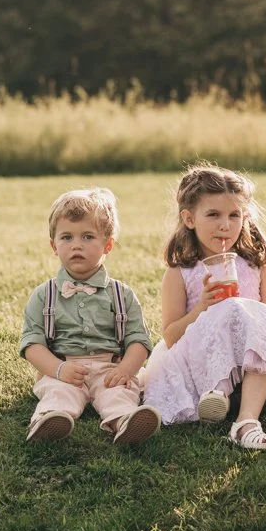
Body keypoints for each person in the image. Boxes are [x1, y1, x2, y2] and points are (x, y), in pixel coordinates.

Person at [142, 164, 266, 450]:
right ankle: (218, 391)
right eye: (213, 214)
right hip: (199, 368)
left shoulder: (257, 266)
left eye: (234, 215)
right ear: (189, 219)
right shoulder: (180, 273)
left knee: (251, 316)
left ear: (245, 217)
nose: (225, 225)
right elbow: (170, 336)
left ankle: (246, 421)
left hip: (252, 369)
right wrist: (202, 307)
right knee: (230, 309)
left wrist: (242, 312)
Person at [19, 188, 161, 444]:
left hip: (110, 367)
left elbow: (138, 340)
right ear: (54, 246)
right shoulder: (44, 295)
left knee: (117, 393)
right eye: (66, 237)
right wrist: (58, 369)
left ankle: (126, 422)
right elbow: (32, 344)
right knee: (59, 392)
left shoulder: (122, 294)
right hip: (62, 366)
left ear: (107, 244)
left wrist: (126, 370)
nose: (76, 245)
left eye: (87, 236)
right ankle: (50, 420)